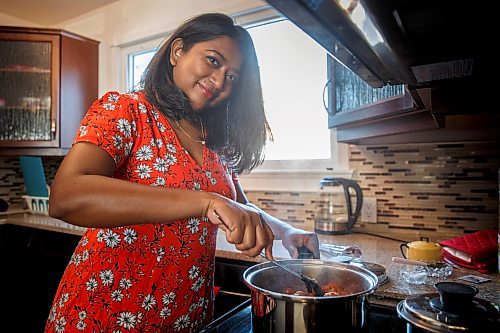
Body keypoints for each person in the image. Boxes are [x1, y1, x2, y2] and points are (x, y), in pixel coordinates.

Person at [44, 13, 320, 333]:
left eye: (232, 77)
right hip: (107, 311)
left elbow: (240, 205)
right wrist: (205, 202)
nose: (218, 81)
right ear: (178, 51)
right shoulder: (128, 110)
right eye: (212, 61)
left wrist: (287, 232)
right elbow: (65, 197)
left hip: (185, 316)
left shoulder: (215, 141)